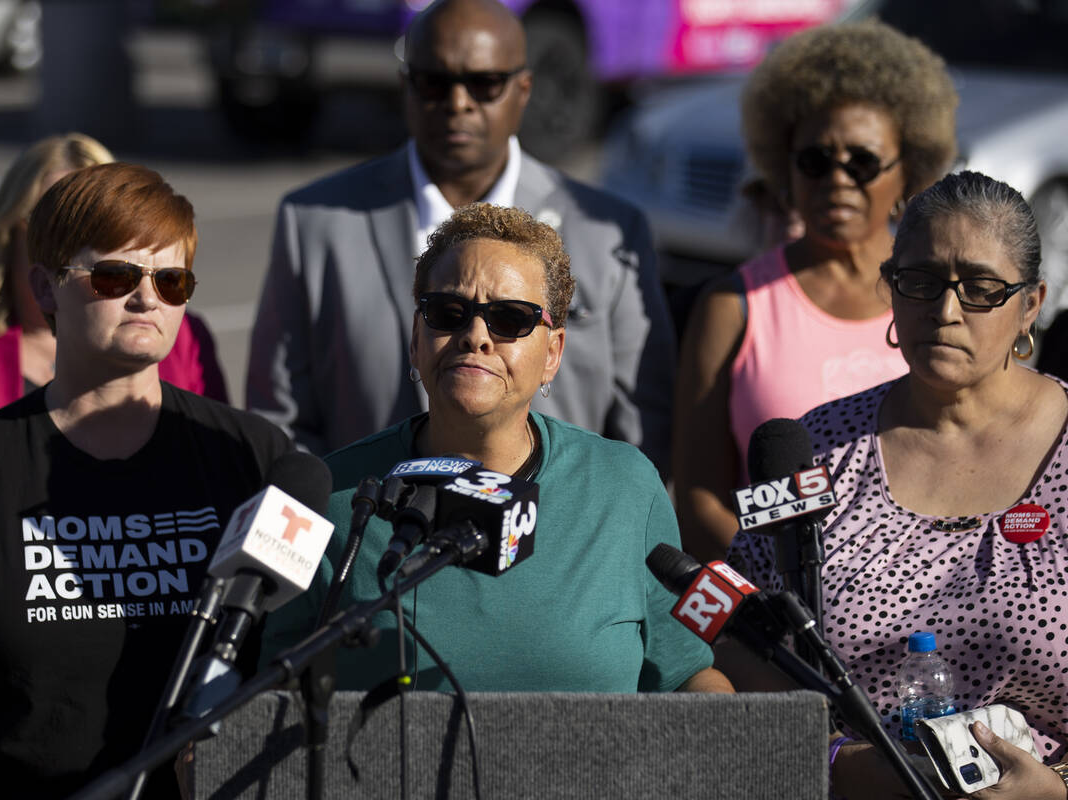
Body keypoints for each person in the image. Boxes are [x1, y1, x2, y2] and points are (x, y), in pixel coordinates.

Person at [0, 163, 293, 799]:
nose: (147, 297)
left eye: (171, 280)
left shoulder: (249, 455)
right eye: (116, 275)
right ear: (45, 287)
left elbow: (289, 661)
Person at [261, 203, 731, 696]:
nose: (475, 336)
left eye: (510, 319)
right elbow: (266, 687)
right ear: (416, 339)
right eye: (448, 313)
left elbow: (685, 676)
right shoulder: (329, 496)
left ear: (553, 354)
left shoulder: (625, 486)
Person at [730, 172, 1068, 799]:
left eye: (981, 289)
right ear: (890, 288)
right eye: (921, 282)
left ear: (1031, 304)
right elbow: (735, 632)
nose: (946, 311)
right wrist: (835, 760)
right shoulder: (816, 445)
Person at [246, 0, 676, 478]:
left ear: (523, 89)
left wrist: (597, 537)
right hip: (370, 537)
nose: (458, 103)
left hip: (556, 542)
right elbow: (280, 421)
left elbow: (645, 429)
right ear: (405, 87)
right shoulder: (314, 221)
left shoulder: (608, 233)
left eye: (484, 83)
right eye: (434, 82)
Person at [673, 20, 960, 563]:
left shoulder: (943, 298)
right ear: (787, 170)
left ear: (908, 173)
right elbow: (698, 498)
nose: (838, 180)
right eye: (815, 161)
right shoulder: (732, 307)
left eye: (863, 162)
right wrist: (786, 588)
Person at [0, 133, 228, 513]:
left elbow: (220, 473)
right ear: (9, 231)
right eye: (53, 223)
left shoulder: (182, 337)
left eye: (99, 228)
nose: (68, 242)